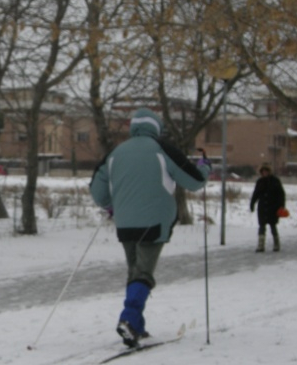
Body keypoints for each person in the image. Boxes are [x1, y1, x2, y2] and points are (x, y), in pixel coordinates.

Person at [89, 107, 211, 347]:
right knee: (143, 273)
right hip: (154, 223)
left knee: (135, 272)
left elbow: (97, 191)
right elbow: (195, 181)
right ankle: (128, 319)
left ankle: (137, 326)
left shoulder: (115, 153)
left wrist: (111, 204)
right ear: (156, 127)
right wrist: (205, 167)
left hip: (125, 224)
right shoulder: (162, 149)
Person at [249, 163, 286, 252]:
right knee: (262, 226)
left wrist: (281, 206)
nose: (264, 173)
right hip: (262, 207)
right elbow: (256, 194)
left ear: (269, 172)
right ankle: (261, 245)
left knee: (273, 226)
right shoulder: (260, 182)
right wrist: (252, 204)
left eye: (266, 171)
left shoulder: (275, 181)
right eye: (263, 171)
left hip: (273, 208)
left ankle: (276, 244)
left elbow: (281, 194)